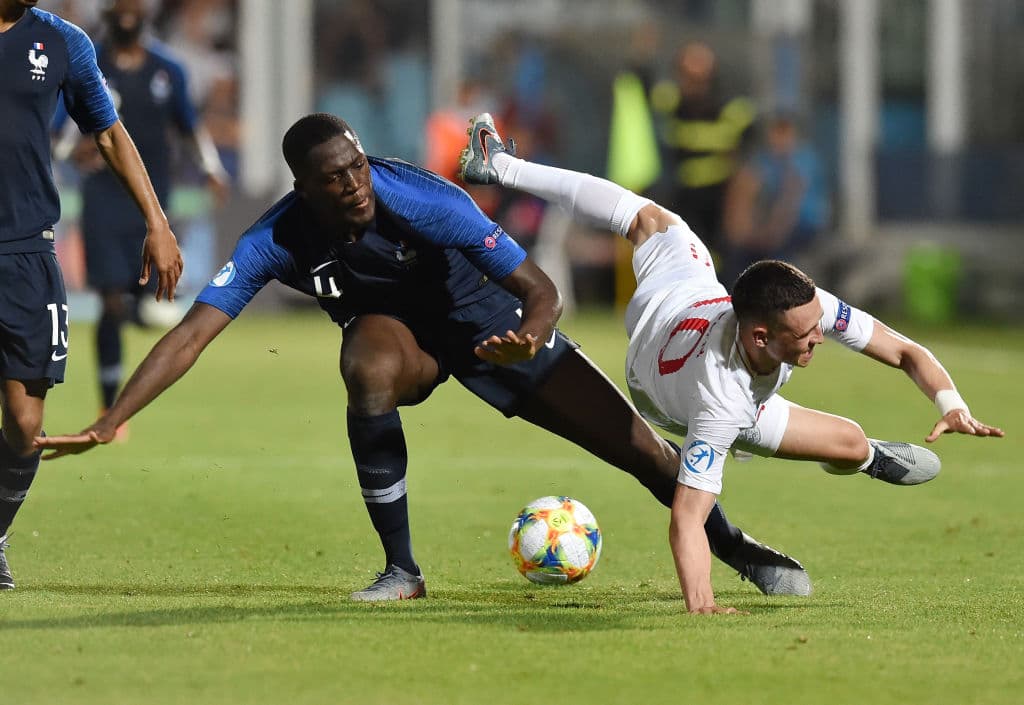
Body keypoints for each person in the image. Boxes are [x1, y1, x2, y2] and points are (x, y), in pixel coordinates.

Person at [34, 113, 811, 602]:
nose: (355, 186)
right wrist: (111, 420)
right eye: (335, 179)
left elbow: (541, 289)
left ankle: (738, 548)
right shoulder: (274, 238)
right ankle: (402, 569)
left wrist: (534, 335)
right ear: (303, 187)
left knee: (641, 452)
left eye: (359, 167)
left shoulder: (424, 198)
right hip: (402, 341)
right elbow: (192, 333)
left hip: (496, 328)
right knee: (365, 364)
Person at [456, 113, 1005, 614]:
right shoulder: (721, 404)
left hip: (685, 290)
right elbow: (686, 517)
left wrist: (950, 403)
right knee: (721, 461)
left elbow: (906, 350)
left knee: (651, 218)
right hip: (666, 391)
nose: (823, 335)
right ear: (762, 336)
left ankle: (499, 163)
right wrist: (702, 605)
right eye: (809, 333)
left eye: (820, 323)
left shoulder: (801, 310)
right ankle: (502, 167)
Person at [0, 0, 183, 590]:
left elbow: (107, 132)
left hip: (24, 252)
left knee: (25, 425)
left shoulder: (63, 41)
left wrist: (156, 221)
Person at [55, 0, 228, 428]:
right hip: (103, 202)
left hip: (152, 204)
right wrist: (68, 151)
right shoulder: (85, 59)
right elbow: (57, 129)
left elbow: (189, 126)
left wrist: (211, 167)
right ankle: (110, 406)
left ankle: (139, 324)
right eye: (118, 5)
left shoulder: (169, 69)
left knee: (147, 306)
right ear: (108, 13)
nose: (127, 9)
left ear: (147, 13)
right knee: (110, 302)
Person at [649, 41, 756, 259]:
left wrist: (740, 197)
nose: (691, 81)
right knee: (683, 248)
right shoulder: (670, 102)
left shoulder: (731, 108)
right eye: (686, 73)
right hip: (680, 190)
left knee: (721, 251)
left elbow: (746, 155)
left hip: (721, 192)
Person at [721, 111, 829, 288]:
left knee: (771, 257)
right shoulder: (765, 160)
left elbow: (789, 202)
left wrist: (770, 233)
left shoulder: (802, 160)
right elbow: (745, 189)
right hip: (769, 224)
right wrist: (742, 231)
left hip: (802, 224)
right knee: (738, 256)